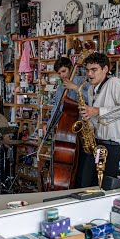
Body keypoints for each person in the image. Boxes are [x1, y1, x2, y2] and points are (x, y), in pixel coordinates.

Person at [78, 52, 120, 187]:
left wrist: (97, 111)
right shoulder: (91, 89)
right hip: (98, 143)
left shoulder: (114, 83)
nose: (89, 74)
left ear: (105, 70)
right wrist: (88, 120)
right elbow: (96, 118)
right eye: (87, 70)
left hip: (113, 145)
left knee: (107, 186)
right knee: (92, 184)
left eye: (94, 70)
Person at [43, 56, 90, 189]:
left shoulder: (83, 81)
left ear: (70, 69)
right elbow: (57, 108)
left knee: (82, 165)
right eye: (59, 73)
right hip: (66, 129)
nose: (61, 75)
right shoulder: (60, 88)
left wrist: (75, 87)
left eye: (64, 71)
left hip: (82, 128)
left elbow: (92, 99)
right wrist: (49, 125)